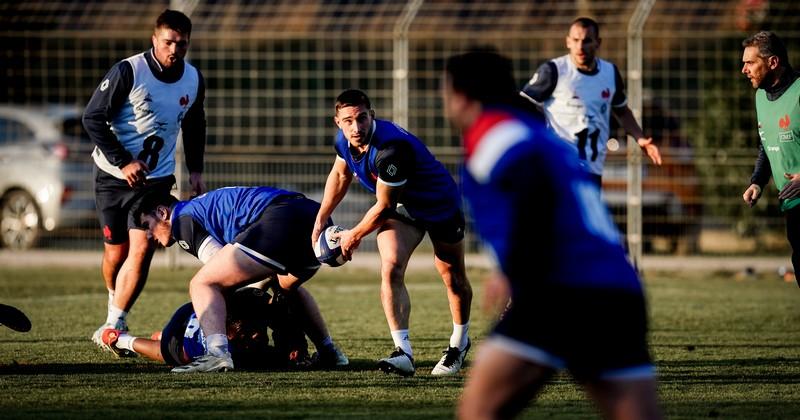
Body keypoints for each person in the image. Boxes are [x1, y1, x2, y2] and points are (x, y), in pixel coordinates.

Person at [443, 50, 662, 419]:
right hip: (619, 290)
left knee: (479, 411)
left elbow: (534, 193)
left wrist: (516, 268)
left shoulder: (494, 134)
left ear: (462, 96)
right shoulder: (541, 139)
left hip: (560, 292)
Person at [311, 89, 473, 376]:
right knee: (391, 269)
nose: (356, 127)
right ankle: (403, 353)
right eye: (348, 121)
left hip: (437, 205)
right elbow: (340, 174)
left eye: (362, 118)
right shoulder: (344, 141)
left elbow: (383, 206)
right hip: (401, 208)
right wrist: (322, 215)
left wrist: (353, 235)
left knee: (454, 278)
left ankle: (459, 345)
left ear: (371, 115)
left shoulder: (391, 150)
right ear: (337, 122)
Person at [82, 9, 207, 354]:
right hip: (112, 177)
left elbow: (195, 124)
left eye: (181, 44)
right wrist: (123, 163)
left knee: (143, 246)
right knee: (115, 253)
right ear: (155, 40)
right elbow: (92, 117)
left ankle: (114, 321)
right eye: (168, 42)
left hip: (156, 179)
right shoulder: (129, 71)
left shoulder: (193, 79)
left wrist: (195, 169)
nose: (174, 50)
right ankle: (114, 297)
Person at [137, 186, 348, 373]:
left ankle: (217, 355)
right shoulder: (199, 208)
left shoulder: (182, 221)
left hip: (281, 217)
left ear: (162, 212)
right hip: (312, 216)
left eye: (147, 226)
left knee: (202, 284)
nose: (147, 235)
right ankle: (328, 351)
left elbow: (220, 269)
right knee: (284, 287)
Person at [520, 17, 662, 185]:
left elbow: (622, 111)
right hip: (559, 166)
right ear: (568, 42)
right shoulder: (555, 71)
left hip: (592, 168)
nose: (580, 47)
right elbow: (523, 104)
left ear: (598, 43)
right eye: (576, 40)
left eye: (587, 41)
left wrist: (640, 138)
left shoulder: (609, 73)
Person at [101, 285, 314, 370]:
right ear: (230, 337)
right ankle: (121, 339)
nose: (257, 333)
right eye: (247, 334)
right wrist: (293, 357)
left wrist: (294, 338)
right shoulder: (239, 354)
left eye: (252, 328)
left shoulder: (241, 307)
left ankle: (159, 333)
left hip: (190, 310)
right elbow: (276, 359)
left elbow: (268, 306)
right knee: (164, 352)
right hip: (180, 342)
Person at [741, 31, 800, 286]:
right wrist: (757, 181)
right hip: (793, 206)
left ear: (773, 62)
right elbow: (767, 144)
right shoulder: (760, 97)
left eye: (750, 62)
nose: (744, 69)